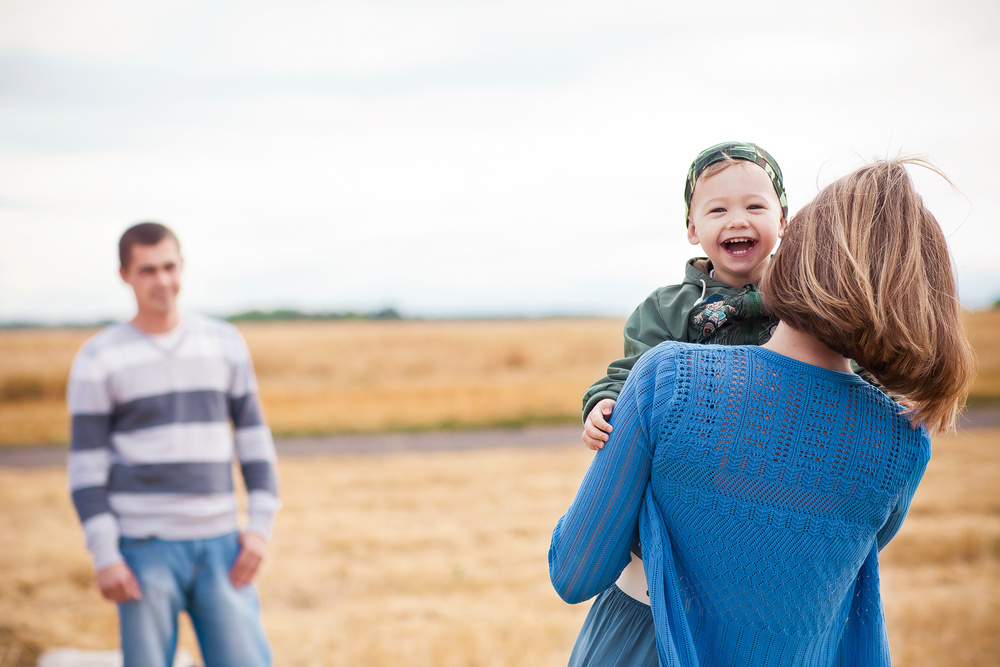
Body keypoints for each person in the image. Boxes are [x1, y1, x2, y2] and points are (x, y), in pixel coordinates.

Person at [550, 159, 976, 666]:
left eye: (756, 206)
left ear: (794, 250)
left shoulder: (670, 378)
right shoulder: (905, 440)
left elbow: (576, 573)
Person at [571, 141, 792, 666]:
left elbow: (851, 372)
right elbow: (631, 375)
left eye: (755, 206)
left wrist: (890, 401)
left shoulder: (809, 303)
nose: (737, 218)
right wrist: (603, 404)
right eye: (717, 209)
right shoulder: (669, 308)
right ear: (693, 228)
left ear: (785, 219)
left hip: (768, 496)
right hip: (682, 499)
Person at [67, 222, 280, 667]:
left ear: (182, 266)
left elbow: (255, 443)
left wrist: (258, 529)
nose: (162, 281)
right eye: (147, 270)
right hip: (144, 548)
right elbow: (86, 472)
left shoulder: (224, 342)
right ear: (125, 274)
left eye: (169, 267)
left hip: (223, 545)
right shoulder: (98, 358)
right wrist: (105, 555)